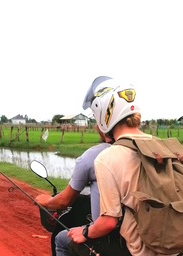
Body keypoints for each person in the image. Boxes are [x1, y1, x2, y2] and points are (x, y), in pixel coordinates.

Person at [67, 78, 181, 256]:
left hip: (141, 250)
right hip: (175, 246)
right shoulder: (164, 147)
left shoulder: (106, 158)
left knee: (62, 241)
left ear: (105, 116)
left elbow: (107, 222)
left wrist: (83, 232)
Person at [35, 76, 114, 256]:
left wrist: (46, 201)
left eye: (96, 118)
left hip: (113, 240)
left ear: (103, 120)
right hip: (149, 237)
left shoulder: (93, 157)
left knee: (61, 240)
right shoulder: (150, 149)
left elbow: (64, 201)